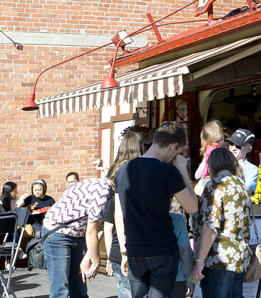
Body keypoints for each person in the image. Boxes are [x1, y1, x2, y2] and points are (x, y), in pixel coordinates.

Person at [115, 121, 198, 298]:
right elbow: (192, 207)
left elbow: (119, 215)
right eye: (178, 151)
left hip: (135, 249)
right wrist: (183, 170)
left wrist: (124, 249)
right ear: (173, 146)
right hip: (162, 249)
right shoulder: (167, 171)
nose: (176, 156)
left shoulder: (123, 170)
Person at [191, 148, 251, 298]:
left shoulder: (215, 185)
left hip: (218, 260)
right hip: (239, 258)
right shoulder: (241, 185)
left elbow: (210, 227)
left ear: (212, 165)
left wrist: (199, 261)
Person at [42, 178, 113, 298]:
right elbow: (92, 232)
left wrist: (88, 256)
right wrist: (96, 262)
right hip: (57, 232)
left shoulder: (107, 189)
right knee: (60, 289)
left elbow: (99, 228)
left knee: (79, 286)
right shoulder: (102, 192)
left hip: (79, 234)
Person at [103, 130, 145, 298]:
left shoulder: (116, 169)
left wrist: (109, 255)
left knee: (126, 290)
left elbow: (108, 226)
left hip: (116, 245)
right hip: (129, 244)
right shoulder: (136, 169)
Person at [226, 128, 259, 194]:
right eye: (231, 143)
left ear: (249, 149)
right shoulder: (222, 164)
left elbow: (247, 191)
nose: (233, 148)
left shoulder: (252, 169)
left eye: (238, 146)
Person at [170, 212, 194, 298]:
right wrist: (190, 280)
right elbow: (185, 252)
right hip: (176, 279)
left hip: (149, 279)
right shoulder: (177, 219)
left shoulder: (140, 217)